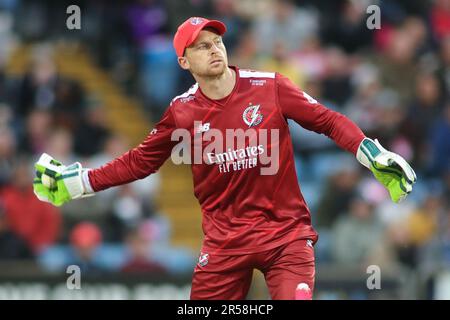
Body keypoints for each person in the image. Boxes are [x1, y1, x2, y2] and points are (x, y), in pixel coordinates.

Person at [33, 17, 417, 300]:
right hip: (224, 244)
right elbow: (140, 162)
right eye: (201, 46)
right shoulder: (181, 112)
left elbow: (329, 121)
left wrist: (372, 152)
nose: (213, 49)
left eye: (216, 41)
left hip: (285, 234)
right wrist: (80, 182)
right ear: (184, 62)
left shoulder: (270, 86)